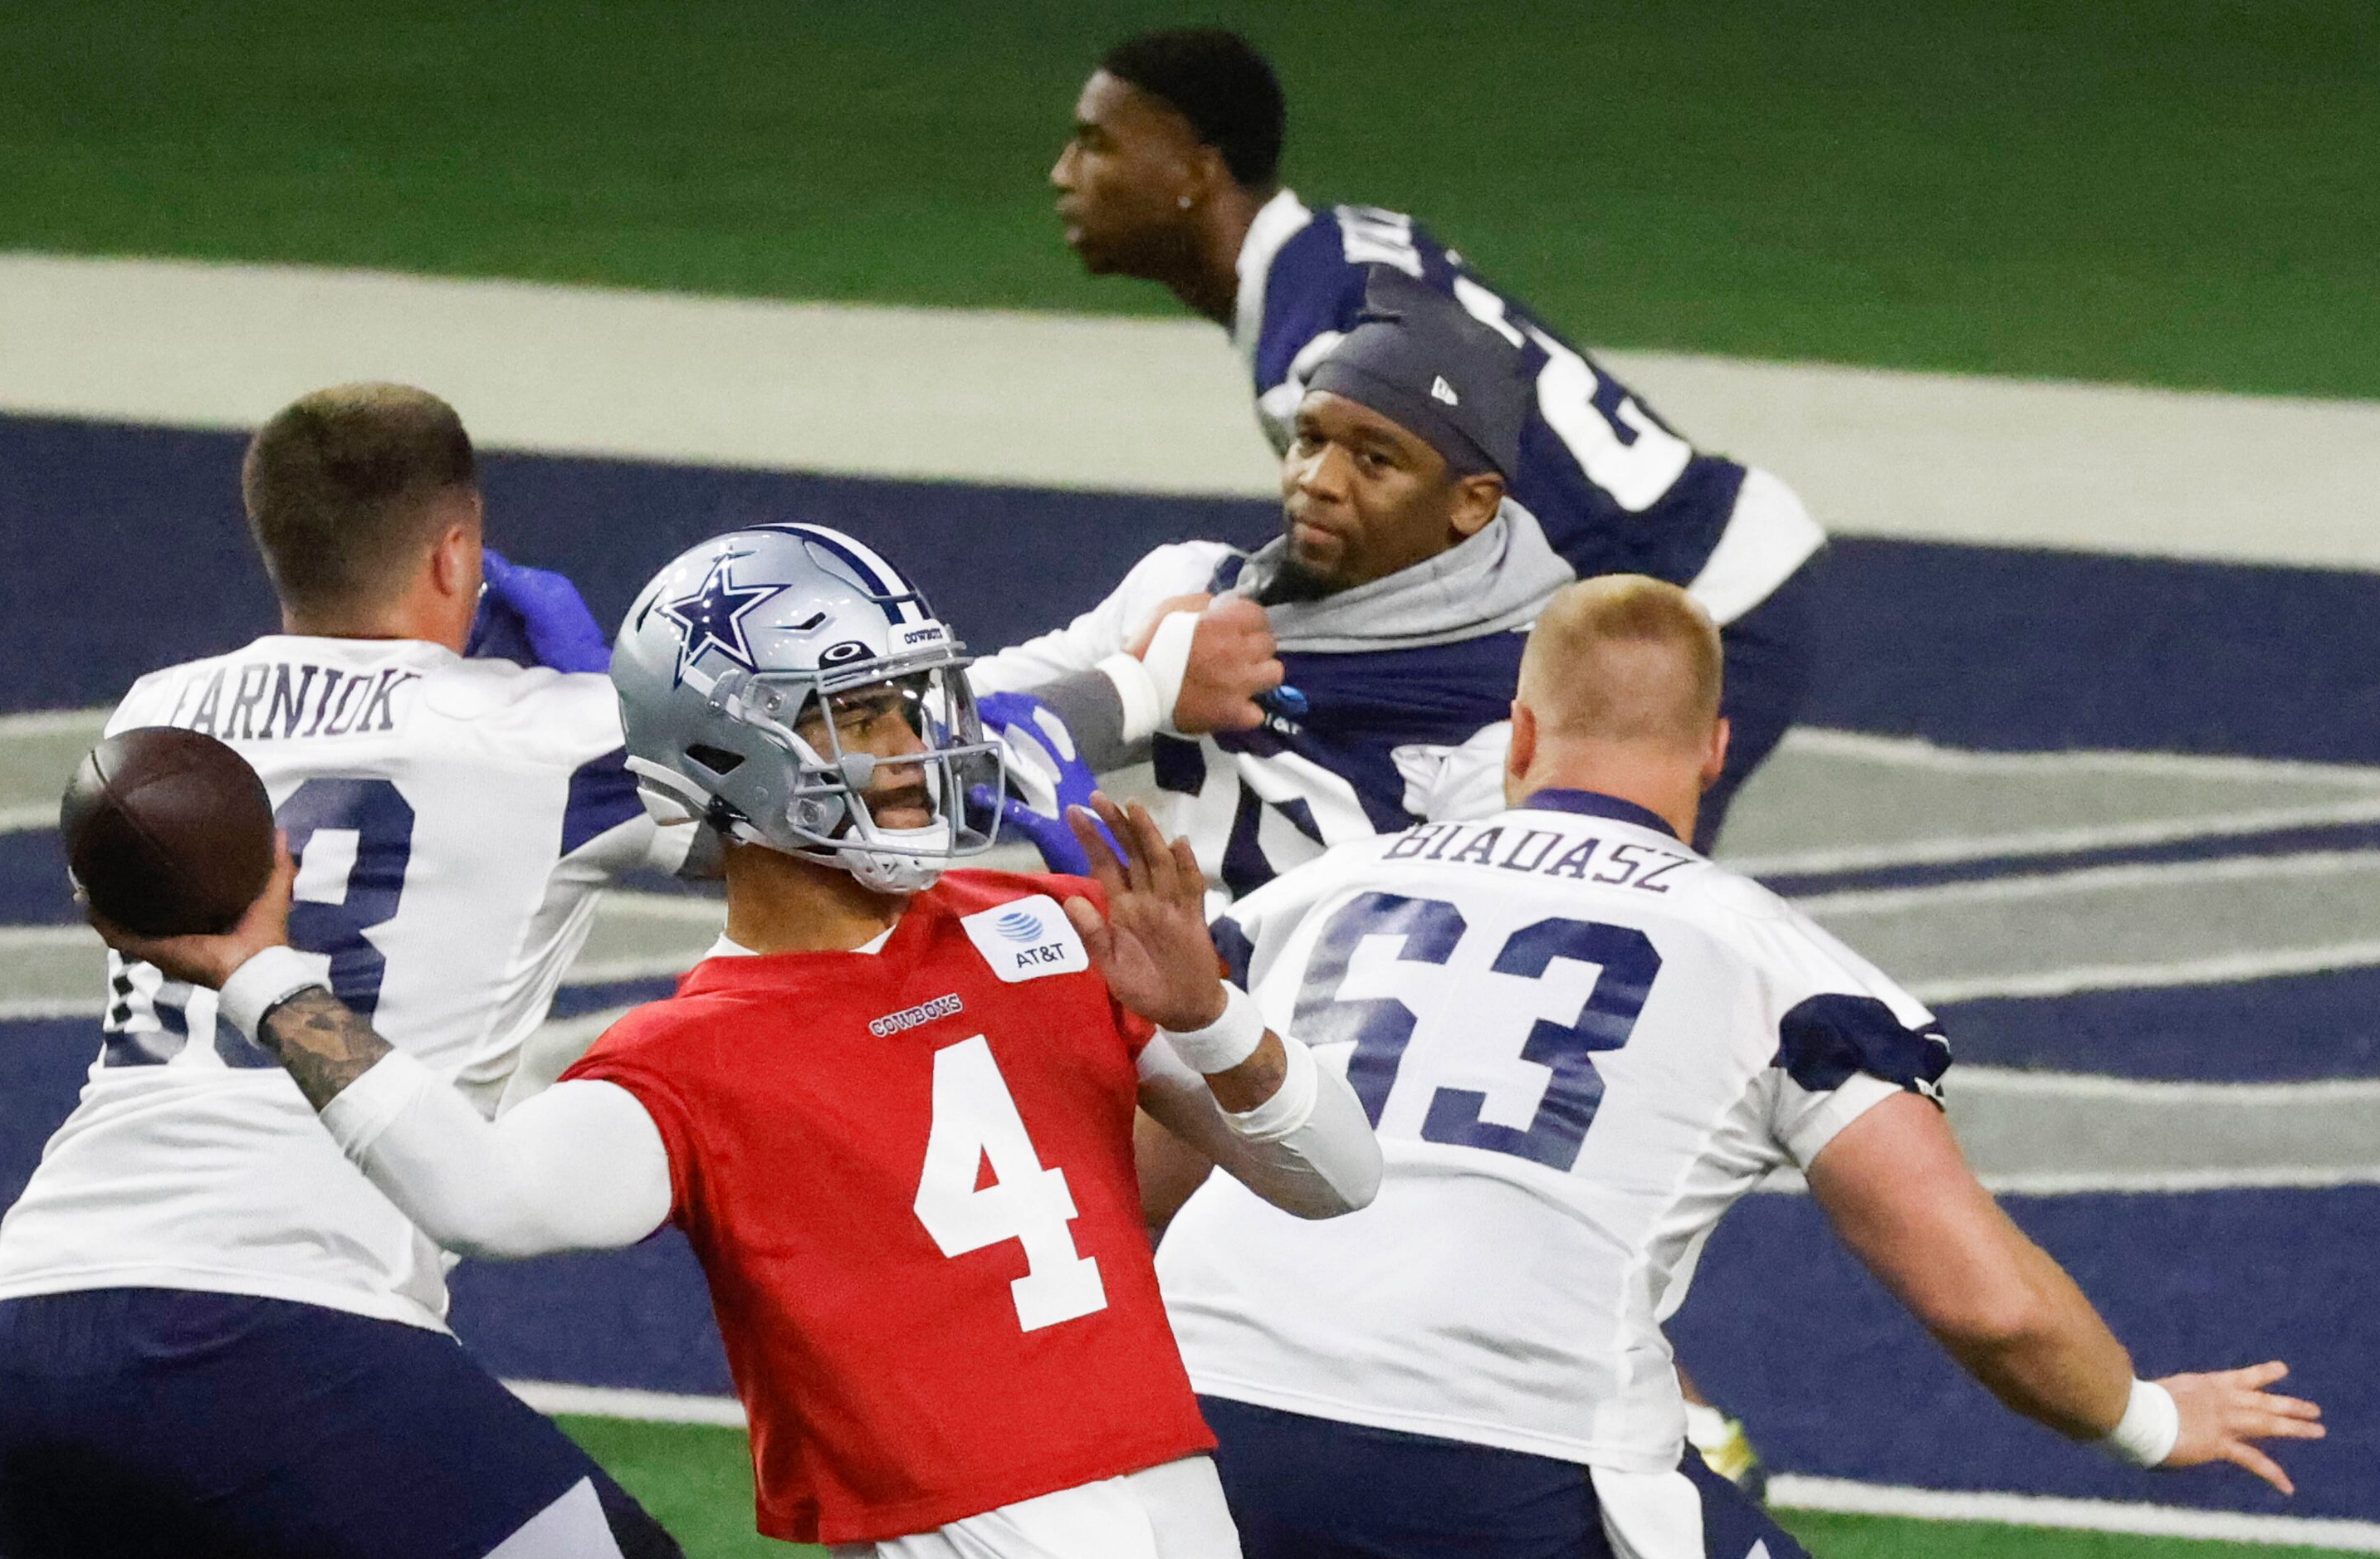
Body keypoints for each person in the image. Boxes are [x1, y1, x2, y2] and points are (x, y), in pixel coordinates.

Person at [94, 524, 1387, 1557]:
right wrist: (261, 972)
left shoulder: (1052, 926)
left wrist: (1208, 1014)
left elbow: (1337, 1177)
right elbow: (483, 1196)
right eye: (858, 715)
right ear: (724, 752)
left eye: (913, 705)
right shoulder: (694, 1057)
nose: (913, 750)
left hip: (1178, 1503)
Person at [1144, 576, 2325, 1558]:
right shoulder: (1777, 965)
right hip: (1506, 1459)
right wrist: (2149, 1418)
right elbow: (1988, 1304)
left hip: (1189, 1428)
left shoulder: (1301, 903)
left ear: (1515, 734)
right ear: (1713, 750)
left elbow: (1132, 1184)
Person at [0, 384, 686, 1559]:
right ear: (459, 551)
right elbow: (835, 809)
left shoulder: (158, 715)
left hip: (33, 1324)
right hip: (282, 1320)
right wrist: (612, 690)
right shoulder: (555, 737)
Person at [1038, 27, 1826, 854]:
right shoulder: (1339, 250)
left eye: (1096, 145)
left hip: (1704, 596)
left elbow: (1452, 548)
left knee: (1609, 887)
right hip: (1710, 553)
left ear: (1196, 173)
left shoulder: (1316, 346)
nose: (1065, 173)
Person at [974, 269, 1571, 912]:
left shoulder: (1517, 703)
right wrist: (1134, 691)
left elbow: (1452, 954)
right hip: (1110, 990)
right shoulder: (1189, 590)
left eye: (1375, 460)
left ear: (1472, 504)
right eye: (1310, 439)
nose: (1317, 479)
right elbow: (908, 744)